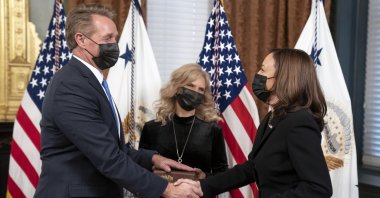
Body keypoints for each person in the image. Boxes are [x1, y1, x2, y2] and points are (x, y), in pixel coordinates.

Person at [34, 4, 201, 198]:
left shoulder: (91, 81)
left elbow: (111, 147)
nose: (115, 45)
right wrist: (168, 189)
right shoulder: (71, 86)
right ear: (81, 39)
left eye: (115, 37)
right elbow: (108, 158)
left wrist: (152, 159)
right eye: (108, 38)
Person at [176, 49, 333, 198]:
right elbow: (252, 168)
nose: (258, 74)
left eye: (263, 70)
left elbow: (318, 188)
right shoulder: (272, 118)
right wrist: (202, 186)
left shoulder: (299, 122)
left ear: (283, 77)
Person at [139, 63, 228, 178]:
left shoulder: (213, 130)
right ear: (177, 89)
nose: (195, 92)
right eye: (190, 86)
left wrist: (204, 176)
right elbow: (141, 168)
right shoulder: (152, 128)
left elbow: (222, 175)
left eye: (201, 89)